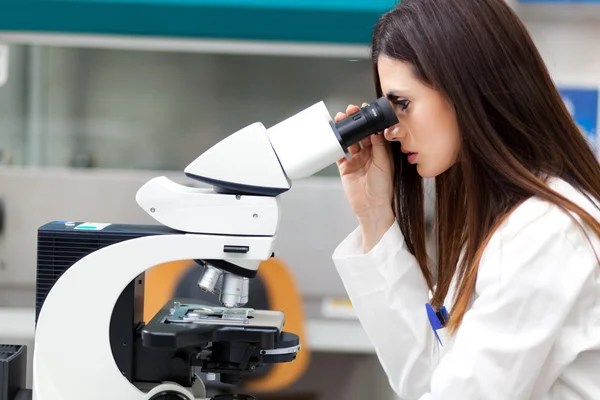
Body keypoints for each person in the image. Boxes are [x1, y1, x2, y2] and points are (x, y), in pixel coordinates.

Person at [330, 0, 600, 399]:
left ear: (464, 87)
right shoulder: (503, 223)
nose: (388, 131)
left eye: (401, 104)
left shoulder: (548, 230)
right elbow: (427, 381)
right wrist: (373, 214)